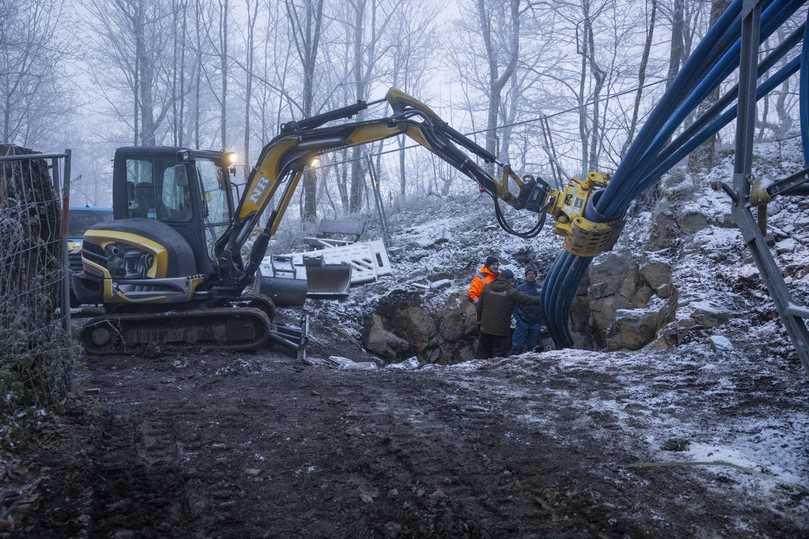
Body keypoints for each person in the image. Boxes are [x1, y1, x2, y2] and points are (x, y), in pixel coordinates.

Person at [476, 269, 541, 359]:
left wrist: (479, 321)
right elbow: (527, 300)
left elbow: (479, 307)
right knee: (498, 355)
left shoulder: (486, 288)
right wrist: (543, 298)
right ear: (510, 280)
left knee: (483, 353)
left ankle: (480, 371)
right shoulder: (511, 291)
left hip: (485, 328)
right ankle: (494, 372)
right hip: (501, 329)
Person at [511, 266, 544, 354]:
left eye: (533, 274)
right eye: (528, 274)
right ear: (525, 276)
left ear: (535, 275)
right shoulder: (520, 288)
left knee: (532, 345)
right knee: (517, 344)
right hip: (522, 321)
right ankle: (514, 361)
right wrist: (518, 318)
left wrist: (542, 321)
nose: (531, 275)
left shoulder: (541, 288)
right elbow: (514, 305)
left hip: (535, 321)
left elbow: (544, 304)